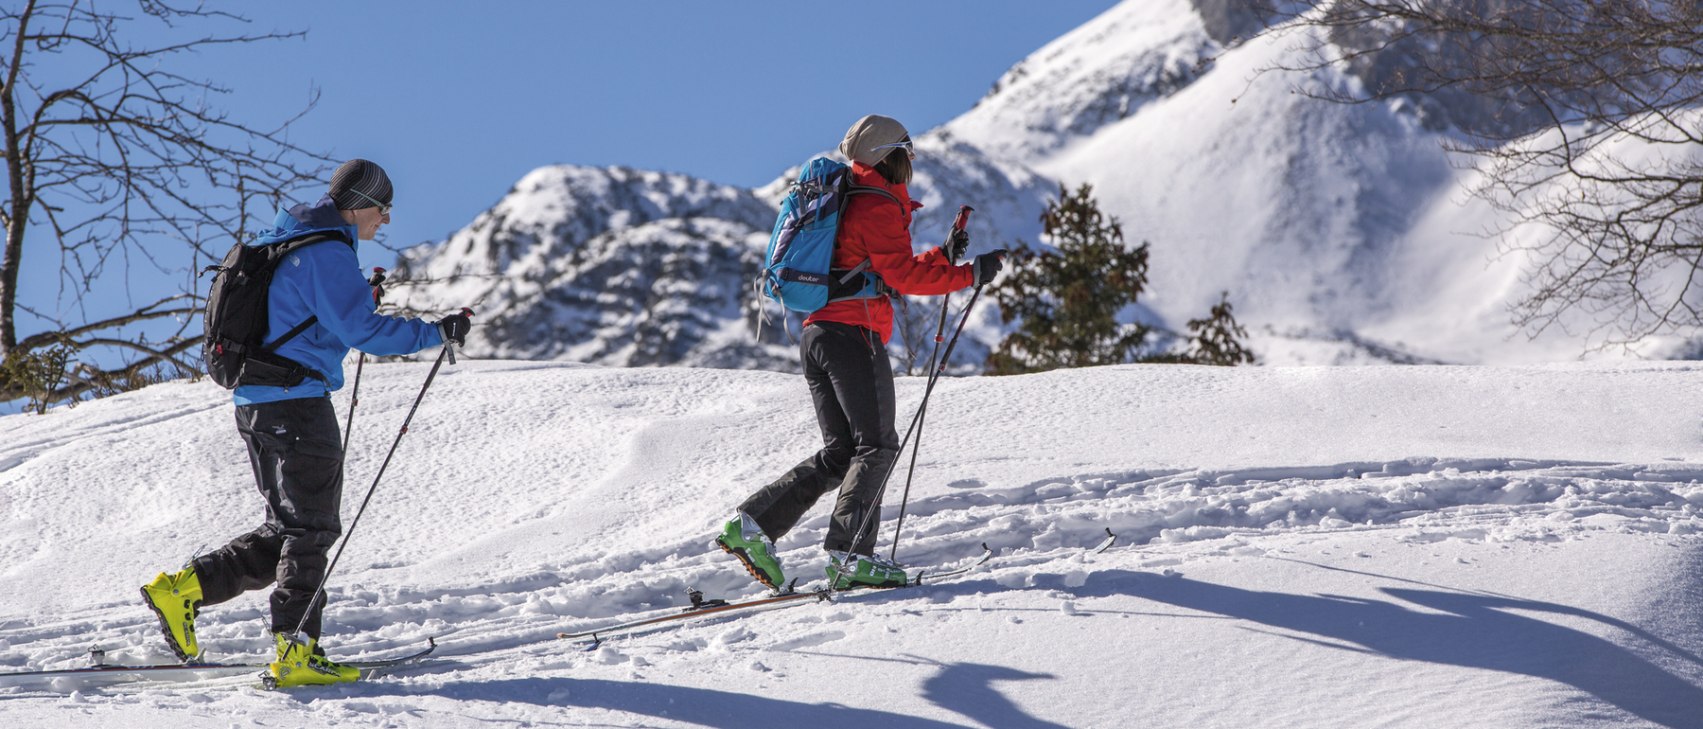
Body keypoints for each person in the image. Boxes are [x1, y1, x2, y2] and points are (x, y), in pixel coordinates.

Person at [139, 159, 473, 688]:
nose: (384, 221)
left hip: (259, 401)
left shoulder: (291, 241)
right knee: (311, 528)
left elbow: (308, 322)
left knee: (290, 529)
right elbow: (364, 332)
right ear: (360, 205)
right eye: (382, 210)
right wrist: (437, 333)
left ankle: (182, 589)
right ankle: (296, 650)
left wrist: (360, 299)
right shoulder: (327, 251)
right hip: (296, 402)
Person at [717, 115, 1004, 591]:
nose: (911, 162)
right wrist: (969, 274)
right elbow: (900, 277)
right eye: (908, 153)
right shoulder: (877, 205)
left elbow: (881, 265)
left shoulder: (850, 197)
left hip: (818, 336)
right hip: (854, 333)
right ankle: (851, 556)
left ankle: (751, 528)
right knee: (877, 446)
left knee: (842, 452)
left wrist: (943, 256)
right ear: (891, 156)